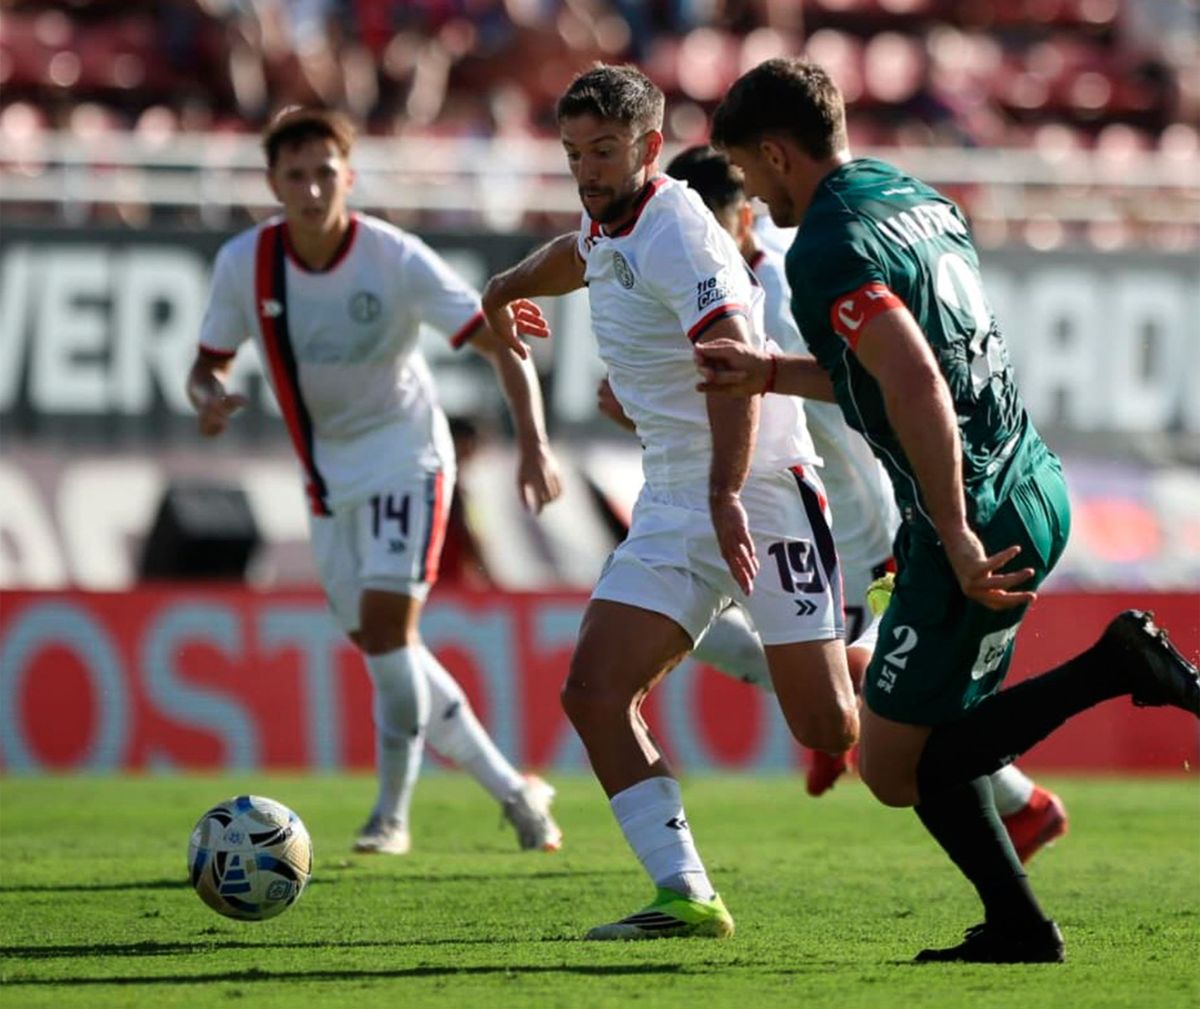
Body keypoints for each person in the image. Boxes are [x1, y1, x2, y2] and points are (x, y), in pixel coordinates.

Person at [700, 58, 1200, 962]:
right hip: (1030, 479)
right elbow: (897, 368)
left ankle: (1116, 663)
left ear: (775, 153)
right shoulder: (910, 195)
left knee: (896, 768)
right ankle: (1017, 923)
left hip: (974, 514)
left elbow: (916, 380)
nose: (754, 194)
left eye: (747, 169)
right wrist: (770, 372)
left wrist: (957, 532)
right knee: (926, 741)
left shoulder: (824, 246)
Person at [596, 143, 1063, 861]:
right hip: (760, 504)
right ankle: (854, 730)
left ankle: (1018, 801)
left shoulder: (782, 294)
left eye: (709, 227)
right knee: (729, 641)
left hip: (844, 518)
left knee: (882, 690)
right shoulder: (691, 278)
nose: (694, 244)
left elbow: (838, 407)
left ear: (741, 221)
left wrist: (882, 539)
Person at [482, 64, 859, 940]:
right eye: (574, 152)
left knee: (829, 723)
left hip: (759, 489)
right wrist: (504, 289)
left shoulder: (679, 231)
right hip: (674, 497)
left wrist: (725, 492)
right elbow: (578, 254)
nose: (587, 170)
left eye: (605, 150)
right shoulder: (608, 215)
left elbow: (734, 358)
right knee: (594, 690)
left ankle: (906, 663)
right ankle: (685, 893)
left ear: (650, 148)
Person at [187, 106, 565, 857]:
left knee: (391, 636)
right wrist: (209, 398)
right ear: (273, 184)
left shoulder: (393, 257)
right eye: (296, 175)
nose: (312, 188)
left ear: (349, 178)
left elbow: (500, 343)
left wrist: (535, 446)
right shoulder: (244, 263)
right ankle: (515, 791)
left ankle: (390, 816)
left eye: (325, 173)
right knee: (388, 650)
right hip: (327, 480)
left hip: (406, 457)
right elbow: (206, 365)